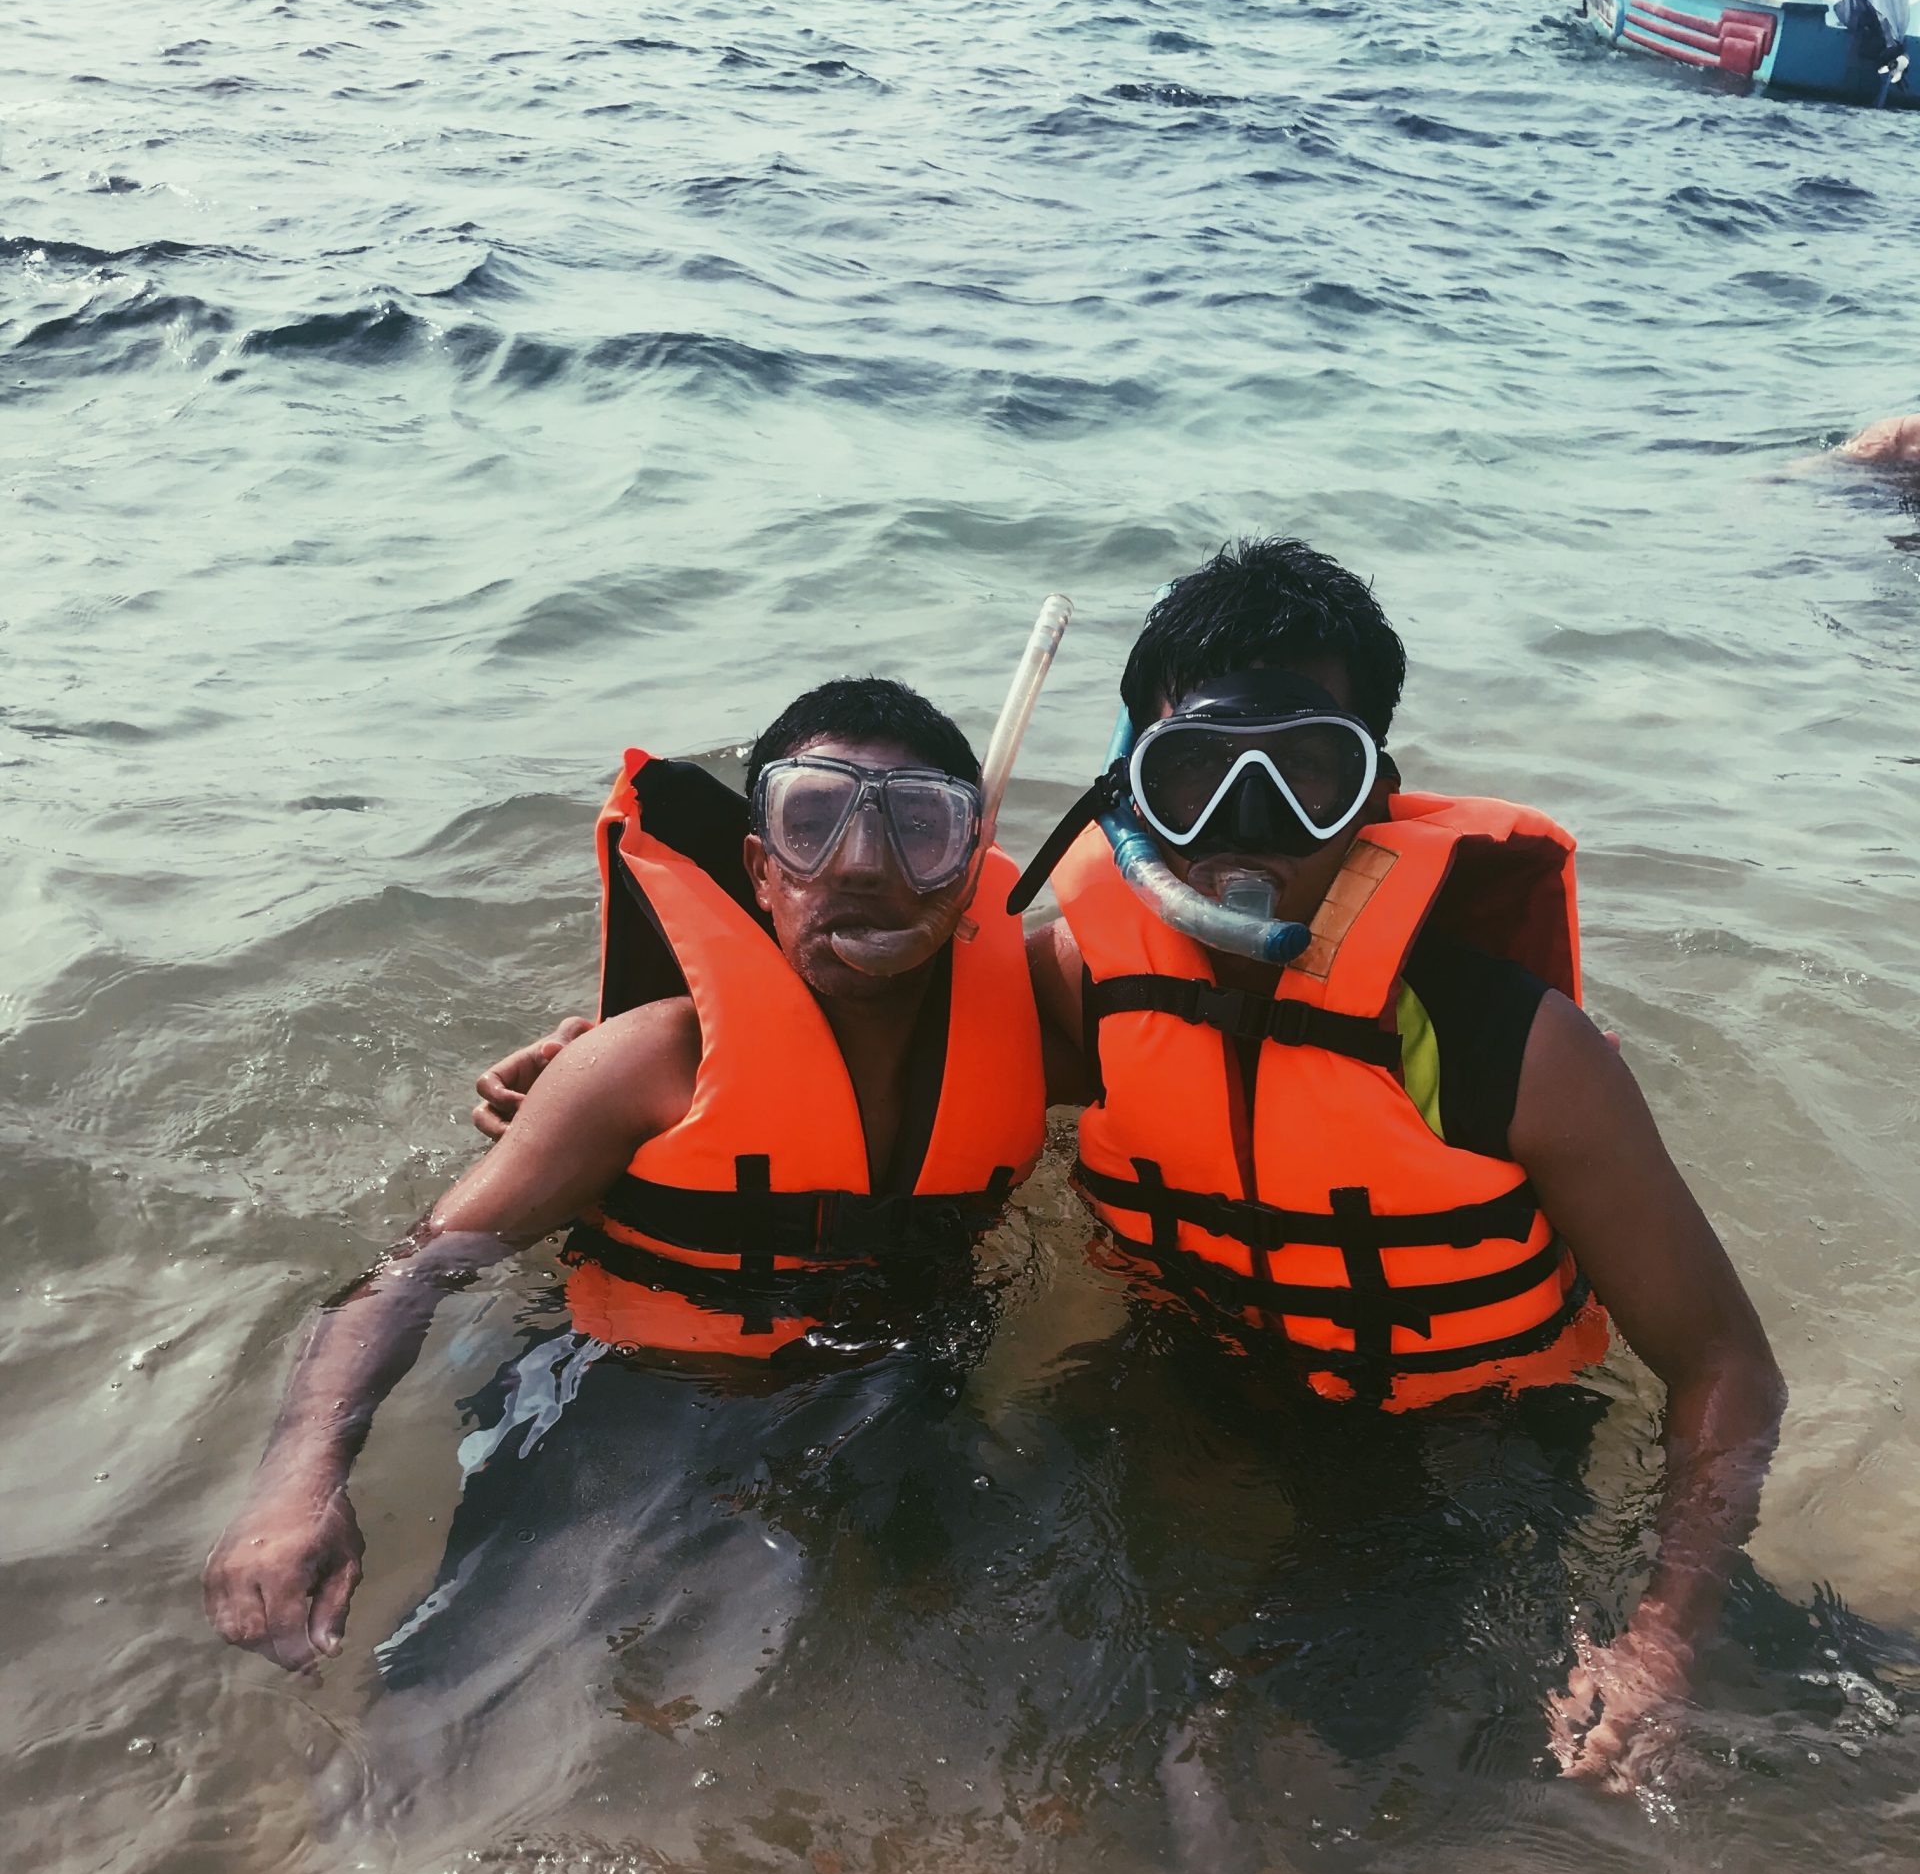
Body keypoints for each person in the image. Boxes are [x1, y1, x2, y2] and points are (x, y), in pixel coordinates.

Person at [483, 544, 1785, 1797]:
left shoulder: (1516, 1052)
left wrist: (1662, 1638)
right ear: (1131, 787)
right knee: (977, 1634)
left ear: (1372, 796)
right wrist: (609, 1051)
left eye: (1306, 773)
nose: (1246, 825)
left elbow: (1726, 1366)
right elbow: (865, 1003)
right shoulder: (1082, 986)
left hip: (1448, 1443)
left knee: (1242, 1778)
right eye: (1195, 773)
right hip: (1180, 1380)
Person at [203, 677, 1047, 1673]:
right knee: (479, 1696)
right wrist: (297, 1482)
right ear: (759, 870)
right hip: (638, 1394)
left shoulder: (1037, 1026)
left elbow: (1180, 997)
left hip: (898, 1380)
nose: (863, 863)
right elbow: (413, 1271)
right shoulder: (645, 1065)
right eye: (812, 822)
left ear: (967, 867)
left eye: (919, 826)